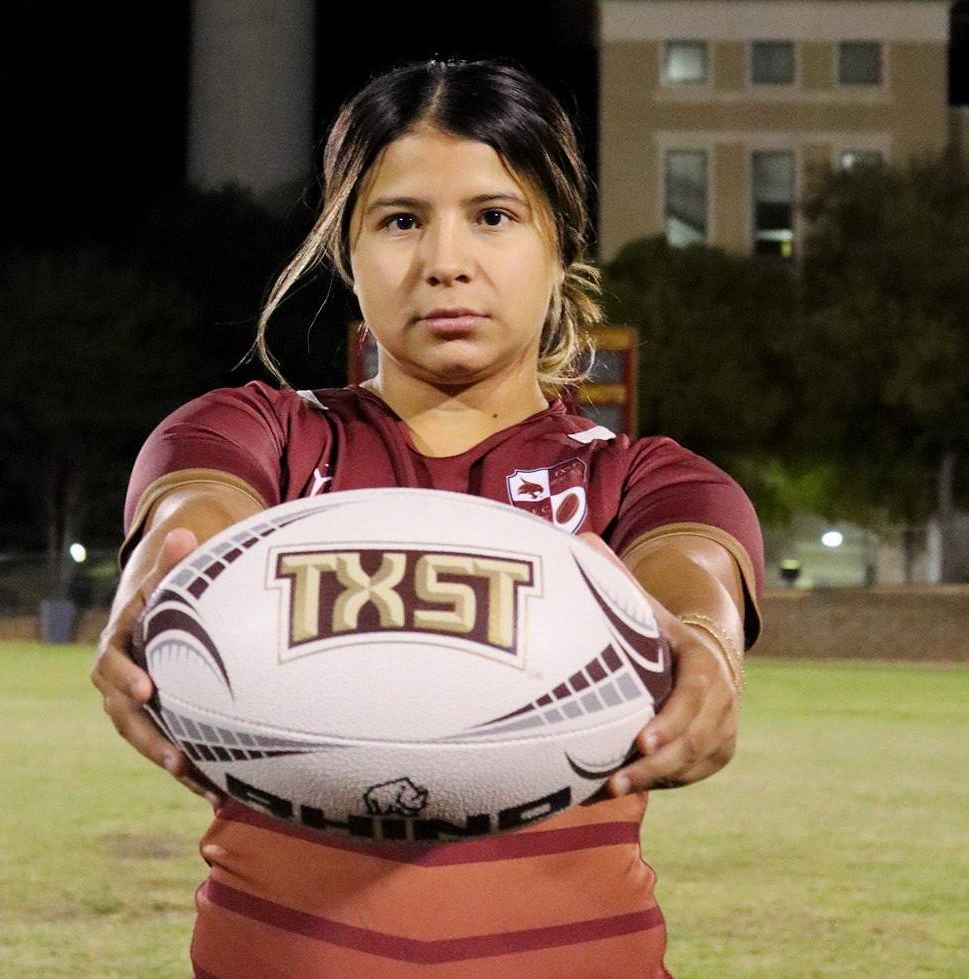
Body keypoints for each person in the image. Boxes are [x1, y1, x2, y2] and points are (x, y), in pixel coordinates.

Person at [92, 57, 763, 979]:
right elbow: (192, 513)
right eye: (401, 220)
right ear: (347, 250)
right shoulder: (262, 433)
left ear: (560, 245)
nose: (445, 262)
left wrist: (705, 655)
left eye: (493, 216)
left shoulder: (649, 480)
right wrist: (155, 598)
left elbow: (692, 582)